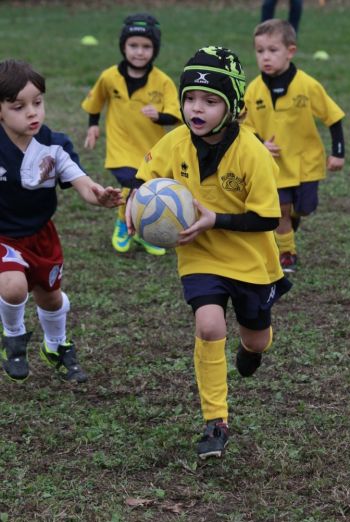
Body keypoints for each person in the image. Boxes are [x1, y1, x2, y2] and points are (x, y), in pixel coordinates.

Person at [125, 46, 292, 459]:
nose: (196, 108)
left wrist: (216, 219)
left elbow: (268, 219)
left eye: (210, 101)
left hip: (252, 260)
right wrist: (131, 206)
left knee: (256, 338)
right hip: (200, 255)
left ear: (233, 105)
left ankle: (252, 349)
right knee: (209, 324)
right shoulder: (174, 141)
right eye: (189, 98)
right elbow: (144, 179)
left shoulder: (252, 152)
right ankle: (215, 421)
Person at [0, 59, 122, 383]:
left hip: (41, 236)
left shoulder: (55, 145)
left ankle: (55, 346)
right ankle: (12, 338)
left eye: (37, 103)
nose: (32, 113)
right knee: (13, 288)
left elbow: (81, 181)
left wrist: (98, 194)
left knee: (51, 297)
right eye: (18, 106)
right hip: (5, 237)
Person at [244, 19, 345, 272]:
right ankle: (287, 253)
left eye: (272, 50)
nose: (265, 57)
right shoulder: (253, 90)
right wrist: (260, 145)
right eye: (260, 51)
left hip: (305, 164)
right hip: (275, 167)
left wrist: (338, 153)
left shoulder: (307, 85)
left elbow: (333, 117)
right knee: (280, 211)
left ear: (290, 51)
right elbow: (245, 128)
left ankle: (291, 222)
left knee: (304, 208)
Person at [81, 12, 181, 256]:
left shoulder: (163, 81)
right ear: (123, 46)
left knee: (144, 190)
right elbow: (95, 102)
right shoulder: (109, 77)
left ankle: (143, 233)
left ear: (154, 50)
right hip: (120, 148)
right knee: (130, 182)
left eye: (146, 46)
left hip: (149, 150)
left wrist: (159, 115)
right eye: (133, 45)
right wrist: (93, 126)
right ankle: (123, 224)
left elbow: (176, 115)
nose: (139, 52)